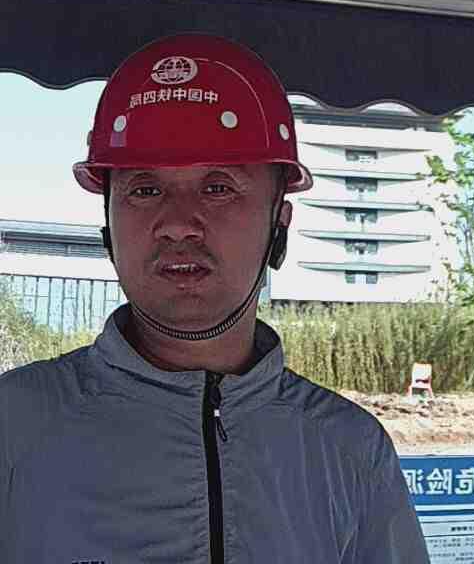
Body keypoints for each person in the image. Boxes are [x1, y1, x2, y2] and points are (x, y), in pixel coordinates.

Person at [0, 34, 430, 563]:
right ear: (107, 220)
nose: (178, 224)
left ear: (279, 219)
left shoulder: (349, 451)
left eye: (218, 187)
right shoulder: (15, 427)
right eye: (145, 189)